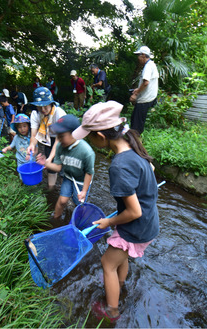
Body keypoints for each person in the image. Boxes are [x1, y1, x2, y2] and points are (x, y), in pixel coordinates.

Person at [72, 101, 159, 323]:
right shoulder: (135, 150)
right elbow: (150, 171)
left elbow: (134, 212)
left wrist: (108, 223)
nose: (89, 141)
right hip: (149, 223)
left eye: (89, 136)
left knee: (107, 263)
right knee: (122, 257)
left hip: (136, 225)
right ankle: (119, 287)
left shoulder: (119, 166)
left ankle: (111, 311)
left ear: (101, 136)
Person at [37, 114, 95, 219]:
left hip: (82, 182)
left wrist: (84, 191)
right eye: (58, 135)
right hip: (68, 177)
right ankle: (55, 218)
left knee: (79, 205)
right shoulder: (60, 146)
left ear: (74, 134)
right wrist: (45, 163)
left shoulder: (86, 152)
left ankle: (77, 222)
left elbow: (89, 173)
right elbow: (58, 167)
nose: (58, 139)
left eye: (62, 136)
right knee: (62, 200)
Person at [27, 87, 66, 189]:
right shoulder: (35, 114)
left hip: (64, 139)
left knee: (63, 165)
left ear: (51, 103)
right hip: (49, 138)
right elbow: (34, 135)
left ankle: (65, 188)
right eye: (39, 107)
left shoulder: (59, 113)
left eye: (45, 106)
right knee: (50, 167)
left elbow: (59, 140)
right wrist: (32, 145)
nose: (43, 110)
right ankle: (51, 189)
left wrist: (49, 158)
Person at [130, 46, 159, 134]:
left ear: (143, 55)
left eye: (138, 56)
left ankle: (135, 143)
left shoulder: (148, 66)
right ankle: (136, 141)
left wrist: (136, 94)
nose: (138, 58)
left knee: (136, 125)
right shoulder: (151, 65)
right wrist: (138, 89)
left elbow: (146, 82)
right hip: (148, 98)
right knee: (136, 121)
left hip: (145, 100)